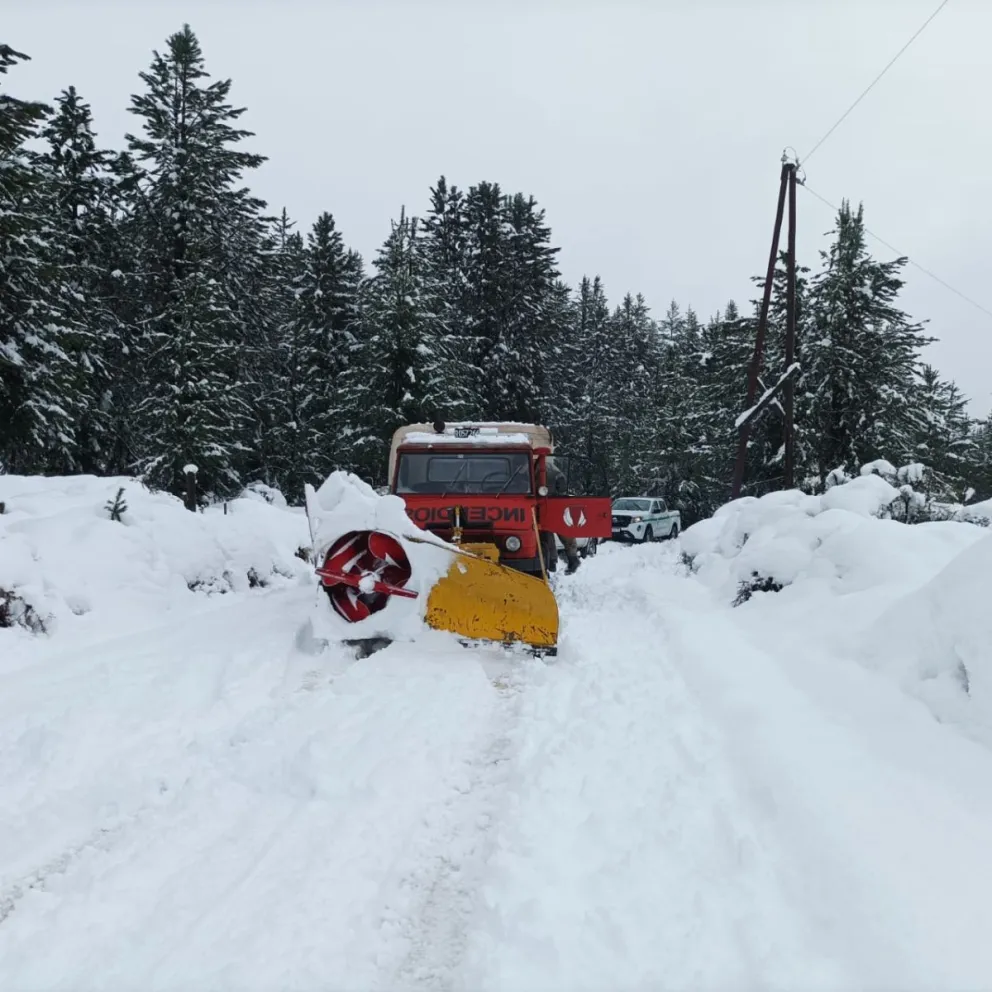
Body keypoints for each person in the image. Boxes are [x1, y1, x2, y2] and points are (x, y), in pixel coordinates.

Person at [546, 458, 581, 574]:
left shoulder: (545, 467)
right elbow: (562, 482)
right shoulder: (549, 466)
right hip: (551, 502)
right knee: (555, 532)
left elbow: (561, 482)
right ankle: (567, 559)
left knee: (548, 533)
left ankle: (554, 561)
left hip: (550, 503)